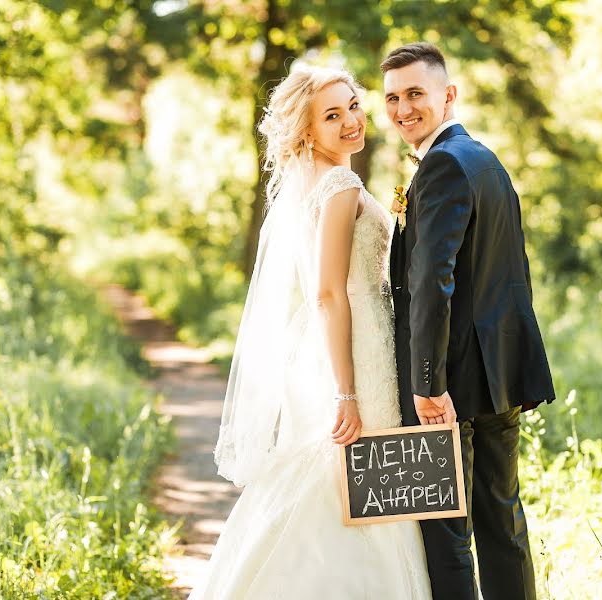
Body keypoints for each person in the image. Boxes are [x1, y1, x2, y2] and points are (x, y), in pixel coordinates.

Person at [189, 65, 431, 599]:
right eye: (331, 114)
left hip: (334, 346)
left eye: (351, 105)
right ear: (306, 132)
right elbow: (326, 292)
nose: (350, 121)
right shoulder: (340, 184)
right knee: (358, 470)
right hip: (356, 347)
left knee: (339, 472)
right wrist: (346, 391)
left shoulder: (317, 184)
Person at [382, 42, 556, 600]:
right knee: (502, 522)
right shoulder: (485, 160)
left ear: (448, 95)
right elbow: (509, 272)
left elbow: (434, 283)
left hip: (450, 386)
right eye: (391, 98)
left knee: (445, 530)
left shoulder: (442, 166)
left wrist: (427, 385)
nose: (403, 108)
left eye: (416, 94)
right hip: (496, 374)